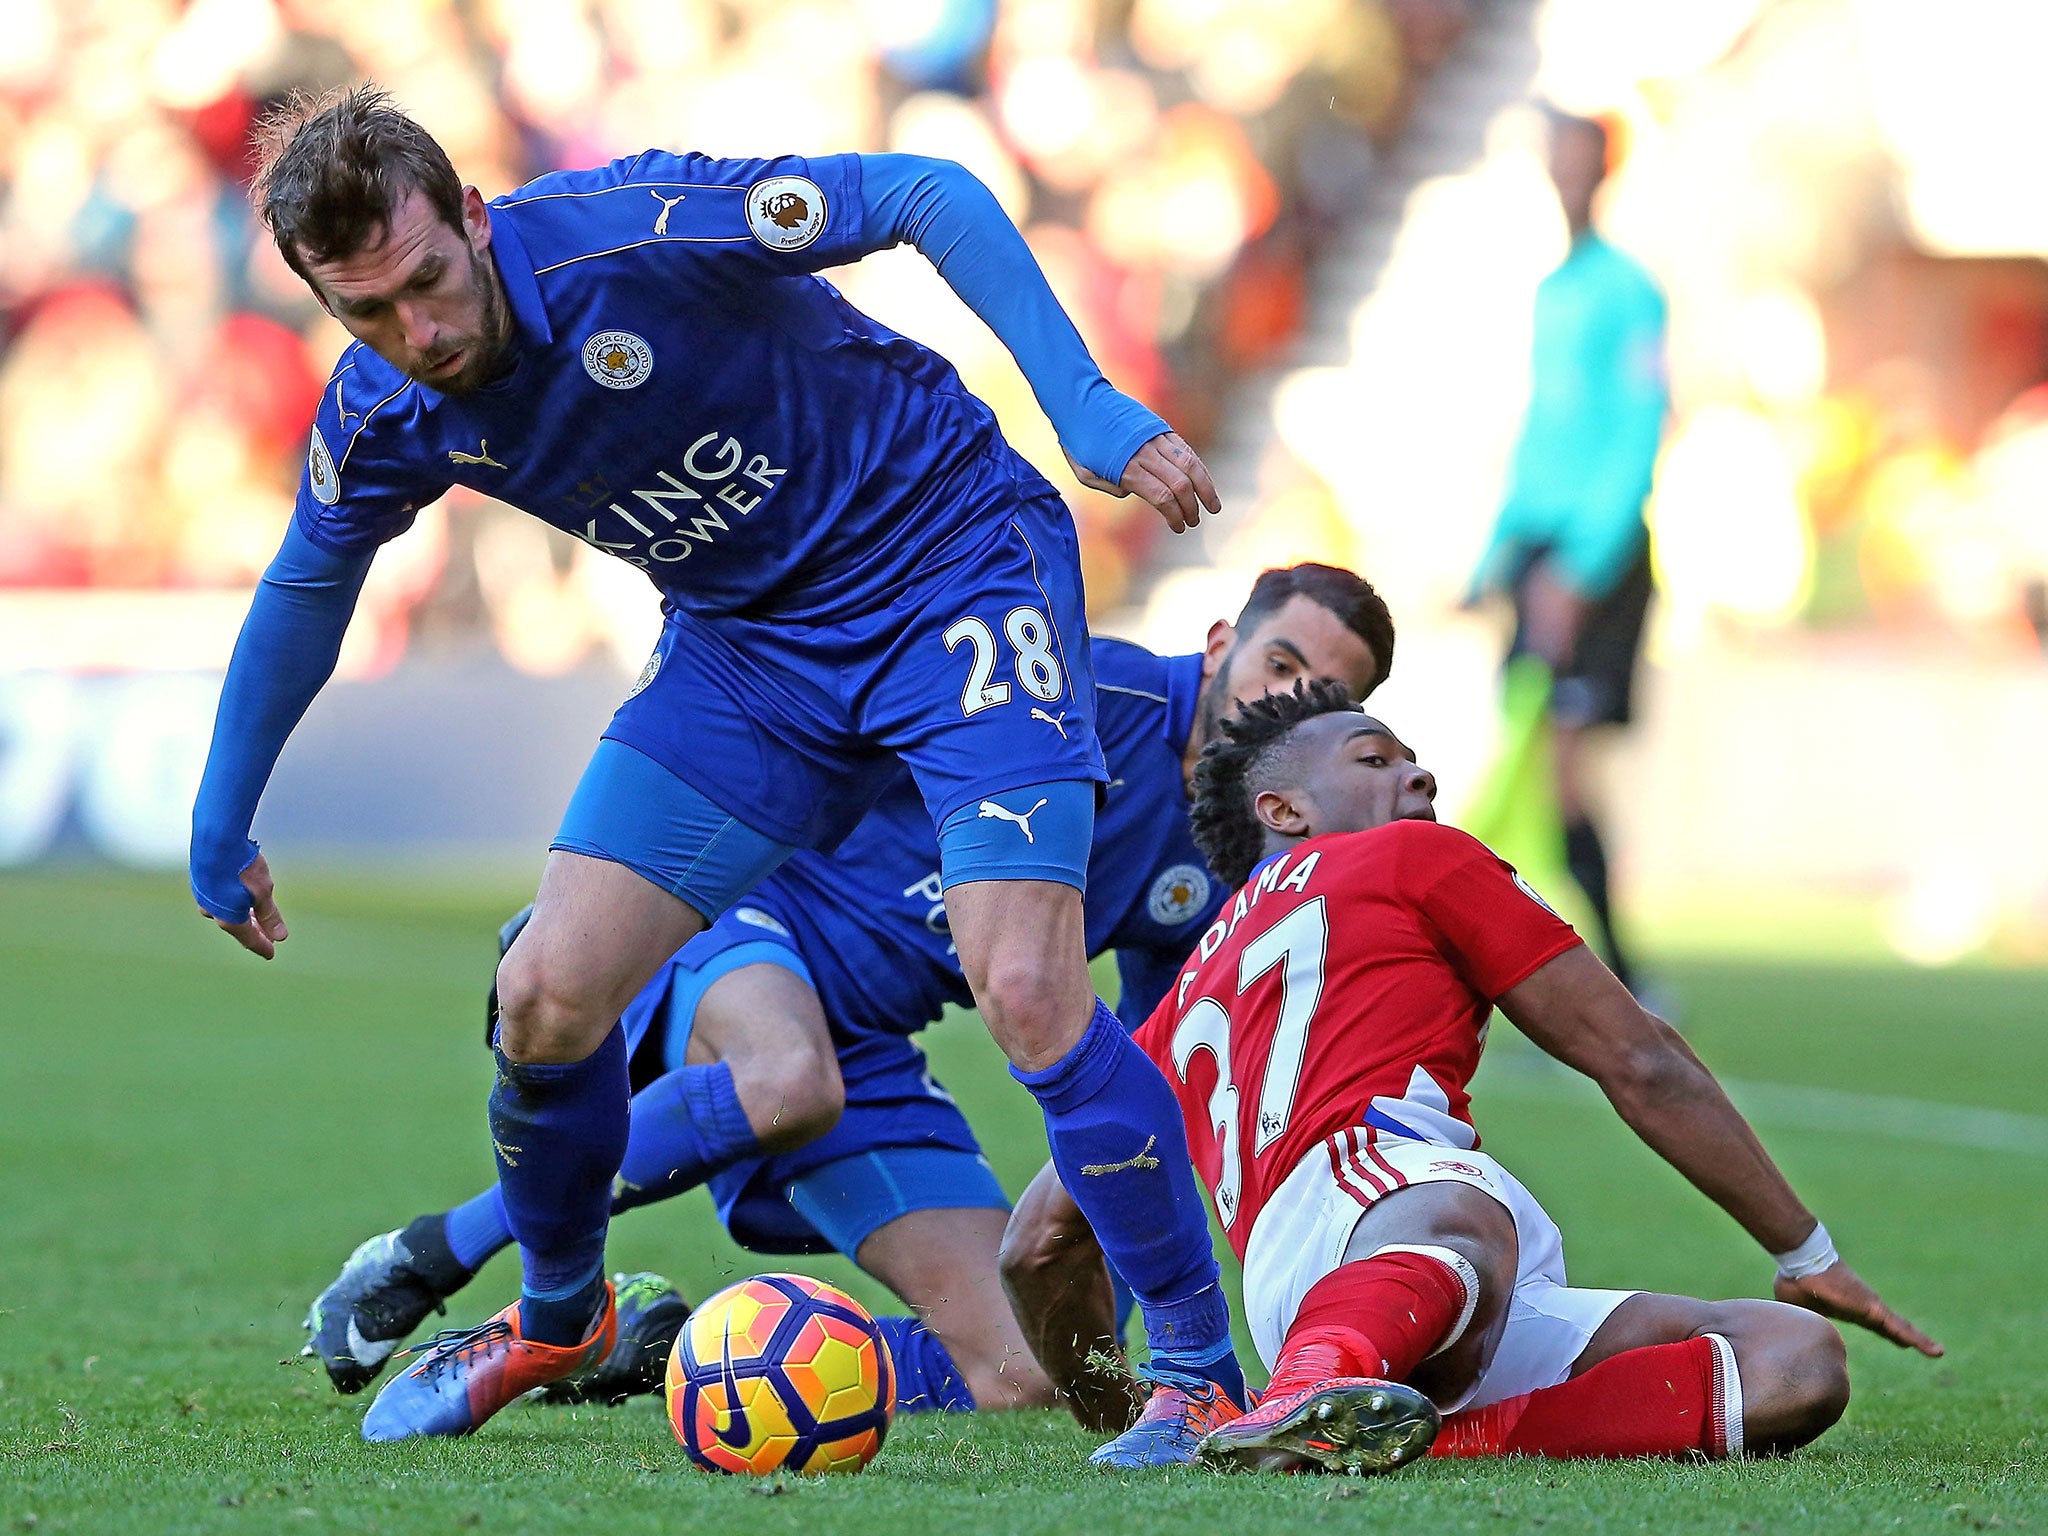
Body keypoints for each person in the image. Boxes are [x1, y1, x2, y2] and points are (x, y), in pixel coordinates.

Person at [188, 83, 1240, 1453]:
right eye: (366, 313)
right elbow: (305, 586)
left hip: (952, 574)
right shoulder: (386, 407)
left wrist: (1086, 405)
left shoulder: (641, 228)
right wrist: (223, 816)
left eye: (431, 285)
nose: (419, 336)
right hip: (751, 652)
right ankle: (560, 1316)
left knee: (1030, 985)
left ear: (475, 217)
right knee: (550, 996)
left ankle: (1205, 1378)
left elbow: (926, 193)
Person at [301, 566, 1393, 1432]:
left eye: (1321, 694)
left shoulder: (1226, 855)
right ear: (1217, 646)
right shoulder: (1069, 686)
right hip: (745, 912)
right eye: (1277, 661)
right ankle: (434, 1251)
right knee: (784, 1081)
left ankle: (674, 1346)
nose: (1282, 699)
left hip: (866, 1042)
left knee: (1023, 1367)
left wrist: (1148, 1314)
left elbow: (1151, 1073)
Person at [1016, 680, 1943, 1473]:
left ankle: (1395, 1429)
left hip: (1362, 1282)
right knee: (1464, 1213)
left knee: (1794, 1363)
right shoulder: (1415, 853)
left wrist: (1120, 1401)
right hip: (1382, 1204)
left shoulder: (1181, 997)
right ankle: (1306, 1394)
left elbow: (1037, 1242)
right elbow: (1638, 1058)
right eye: (1374, 759)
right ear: (1283, 810)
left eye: (1413, 760)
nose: (1417, 775)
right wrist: (1807, 1253)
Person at [1468, 108, 1668, 993]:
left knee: (1562, 768)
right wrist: (1496, 553)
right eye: (1558, 159)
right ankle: (1574, 976)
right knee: (1537, 767)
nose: (1566, 174)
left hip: (1593, 555)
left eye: (1581, 159)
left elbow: (1637, 430)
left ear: (1606, 168)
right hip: (1539, 547)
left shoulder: (1629, 292)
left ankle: (1609, 976)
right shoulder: (1555, 289)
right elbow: (1541, 430)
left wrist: (1584, 567)